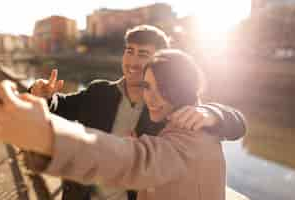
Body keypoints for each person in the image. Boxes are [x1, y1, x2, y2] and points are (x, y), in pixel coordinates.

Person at [27, 25, 246, 200]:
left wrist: (211, 112)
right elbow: (61, 106)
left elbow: (236, 125)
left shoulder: (170, 108)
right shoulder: (100, 91)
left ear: (159, 61)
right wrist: (45, 95)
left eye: (142, 54)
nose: (132, 61)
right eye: (129, 51)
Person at [0, 49, 227, 200]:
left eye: (164, 88)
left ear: (185, 87)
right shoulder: (174, 120)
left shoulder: (195, 133)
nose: (152, 98)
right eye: (147, 87)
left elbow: (136, 160)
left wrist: (46, 137)